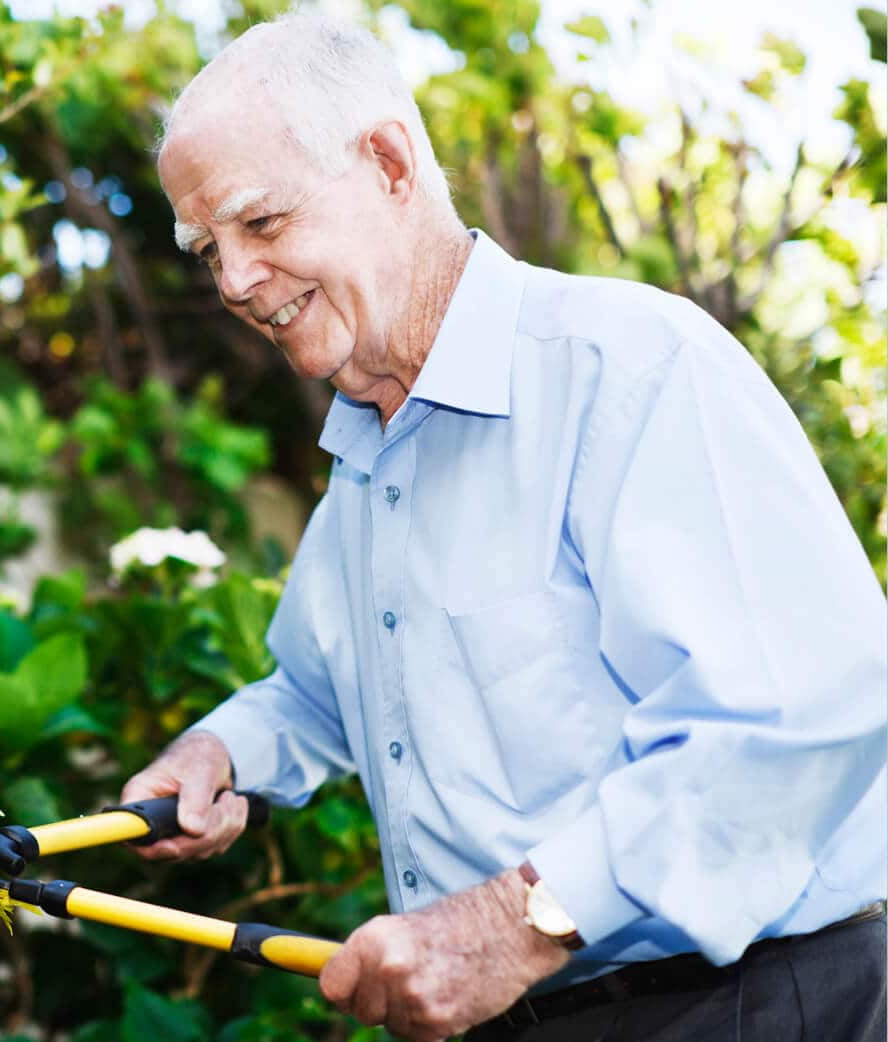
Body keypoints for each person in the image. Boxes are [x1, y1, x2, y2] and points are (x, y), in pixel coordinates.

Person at [119, 12, 888, 1042]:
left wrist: (512, 924)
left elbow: (795, 710)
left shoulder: (630, 368)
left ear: (388, 163)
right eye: (208, 247)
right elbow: (319, 688)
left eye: (259, 224)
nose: (233, 281)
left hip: (741, 1006)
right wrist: (223, 748)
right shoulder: (366, 459)